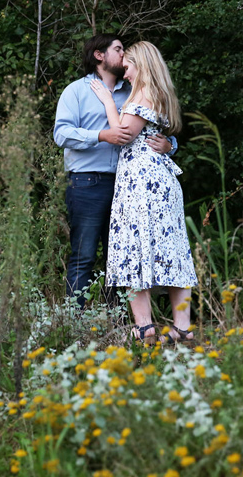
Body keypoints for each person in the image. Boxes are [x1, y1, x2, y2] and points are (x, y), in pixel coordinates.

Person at [54, 34, 176, 310]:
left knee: (122, 255)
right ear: (99, 55)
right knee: (84, 255)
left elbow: (153, 127)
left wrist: (171, 145)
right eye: (118, 49)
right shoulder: (76, 91)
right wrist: (101, 135)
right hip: (87, 182)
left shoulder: (133, 89)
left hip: (129, 185)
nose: (123, 55)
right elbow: (61, 134)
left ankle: (116, 320)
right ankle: (75, 320)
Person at [88, 41, 198, 344]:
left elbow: (123, 135)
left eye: (128, 68)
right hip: (158, 181)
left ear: (142, 66)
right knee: (170, 250)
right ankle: (182, 328)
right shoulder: (159, 94)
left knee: (133, 248)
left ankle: (144, 327)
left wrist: (108, 101)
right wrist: (170, 146)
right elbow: (157, 137)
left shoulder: (144, 94)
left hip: (141, 183)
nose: (125, 74)